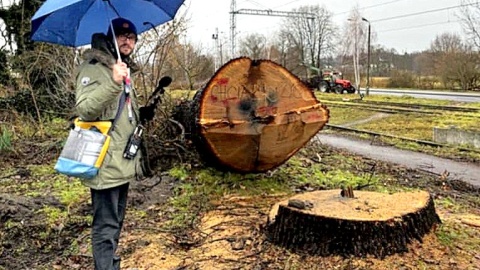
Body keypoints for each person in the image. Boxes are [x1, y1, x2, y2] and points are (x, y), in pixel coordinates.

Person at [75, 18, 154, 270]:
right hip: (104, 160)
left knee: (116, 221)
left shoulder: (121, 67)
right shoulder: (94, 67)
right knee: (105, 225)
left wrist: (143, 113)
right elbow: (85, 109)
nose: (127, 40)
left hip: (122, 160)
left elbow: (120, 114)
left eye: (131, 37)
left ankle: (111, 264)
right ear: (110, 38)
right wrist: (113, 82)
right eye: (121, 35)